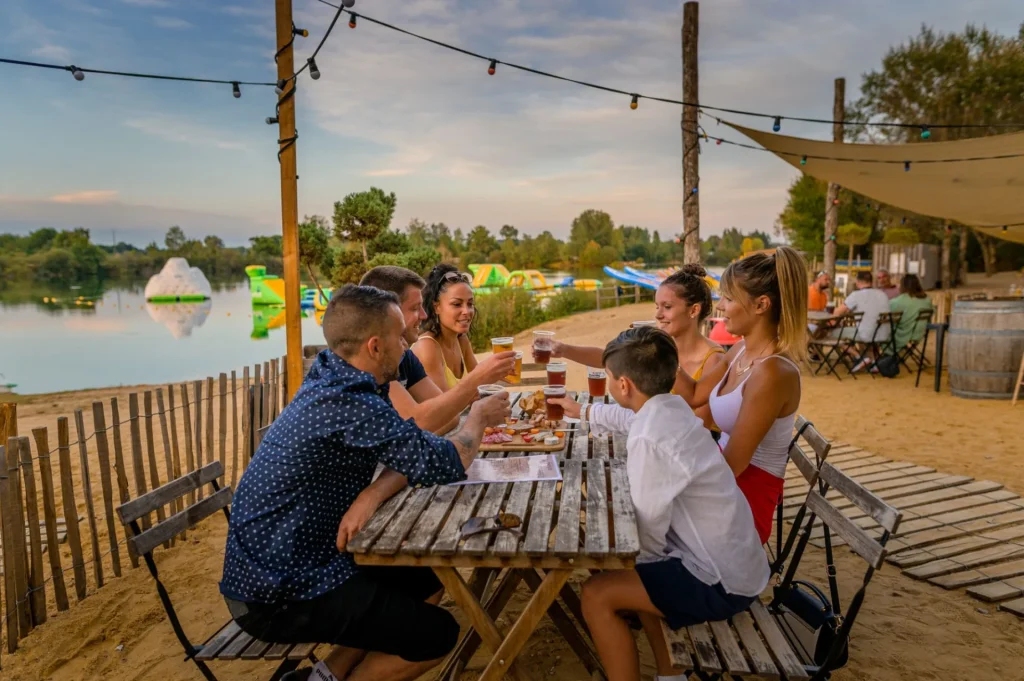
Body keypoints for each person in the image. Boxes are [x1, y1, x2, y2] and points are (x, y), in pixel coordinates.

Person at [221, 285, 510, 681]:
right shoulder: (352, 403)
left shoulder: (335, 377)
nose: (408, 340)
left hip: (292, 561)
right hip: (276, 591)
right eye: (400, 336)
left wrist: (373, 493)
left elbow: (413, 453)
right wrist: (477, 417)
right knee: (437, 634)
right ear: (375, 346)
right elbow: (444, 461)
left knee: (423, 580)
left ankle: (326, 674)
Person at [550, 327, 768, 681]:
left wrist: (624, 566)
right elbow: (631, 418)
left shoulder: (651, 438)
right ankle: (671, 675)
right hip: (740, 566)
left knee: (597, 594)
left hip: (721, 581)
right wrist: (584, 411)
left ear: (624, 386)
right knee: (639, 577)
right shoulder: (672, 408)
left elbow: (649, 530)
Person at [671, 247, 807, 544]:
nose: (720, 307)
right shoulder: (741, 351)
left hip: (743, 504)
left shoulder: (773, 373)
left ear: (761, 304)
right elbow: (694, 394)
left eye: (729, 298)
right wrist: (663, 352)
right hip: (723, 483)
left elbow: (734, 465)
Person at [536, 264, 725, 432]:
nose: (658, 315)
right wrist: (564, 349)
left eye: (667, 307)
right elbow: (610, 358)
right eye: (657, 306)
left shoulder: (713, 360)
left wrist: (590, 412)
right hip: (651, 437)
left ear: (693, 310)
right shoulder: (658, 348)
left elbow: (699, 427)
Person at [360, 266, 515, 434]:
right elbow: (420, 421)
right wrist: (478, 378)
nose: (424, 315)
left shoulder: (406, 357)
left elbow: (448, 415)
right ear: (389, 312)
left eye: (470, 304)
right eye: (414, 308)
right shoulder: (370, 361)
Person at [412, 264, 478, 392]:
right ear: (437, 307)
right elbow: (445, 406)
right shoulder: (427, 347)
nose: (467, 311)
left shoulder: (461, 341)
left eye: (470, 304)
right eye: (457, 304)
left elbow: (480, 386)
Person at [833, 270, 891, 371]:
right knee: (865, 327)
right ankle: (874, 362)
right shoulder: (882, 294)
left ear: (857, 282)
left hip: (867, 334)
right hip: (884, 334)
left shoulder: (856, 295)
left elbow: (837, 312)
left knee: (832, 334)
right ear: (871, 282)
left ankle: (859, 357)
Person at [888, 273, 934, 353]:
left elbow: (886, 311)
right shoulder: (927, 300)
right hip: (918, 335)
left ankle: (874, 360)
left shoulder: (899, 301)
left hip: (901, 336)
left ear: (903, 285)